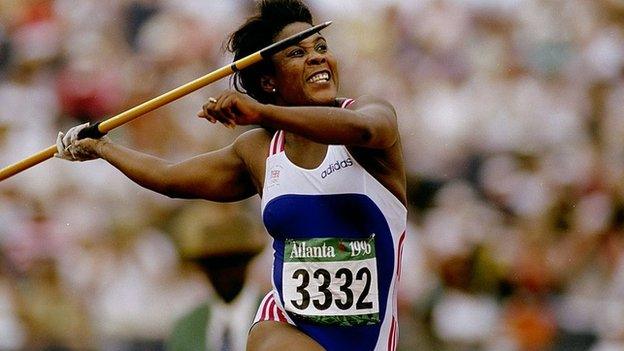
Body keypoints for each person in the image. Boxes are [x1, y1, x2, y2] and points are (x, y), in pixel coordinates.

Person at [55, 0, 407, 350]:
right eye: (296, 53)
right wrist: (101, 148)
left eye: (320, 47)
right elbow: (170, 178)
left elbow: (364, 130)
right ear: (269, 81)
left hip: (368, 336)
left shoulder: (369, 116)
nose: (317, 57)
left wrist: (263, 113)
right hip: (288, 325)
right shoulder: (258, 151)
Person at [166, 201, 267, 351]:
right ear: (204, 269)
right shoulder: (187, 328)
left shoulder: (273, 317)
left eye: (232, 263)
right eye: (214, 265)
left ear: (246, 262)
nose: (223, 274)